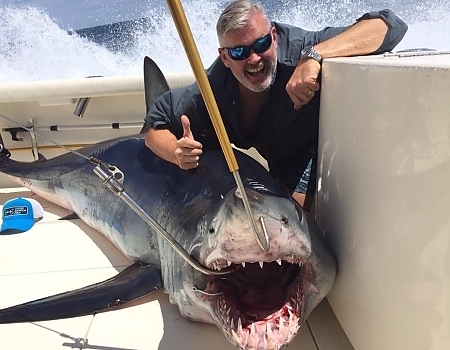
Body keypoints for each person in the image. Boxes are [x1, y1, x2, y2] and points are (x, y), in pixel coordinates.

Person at [142, 0, 407, 212]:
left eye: (261, 44)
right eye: (239, 52)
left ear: (273, 37)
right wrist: (176, 153)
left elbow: (389, 25)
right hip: (280, 159)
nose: (254, 58)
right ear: (224, 57)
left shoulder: (299, 50)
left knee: (297, 222)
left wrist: (314, 57)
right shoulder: (211, 92)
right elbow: (155, 123)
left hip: (333, 143)